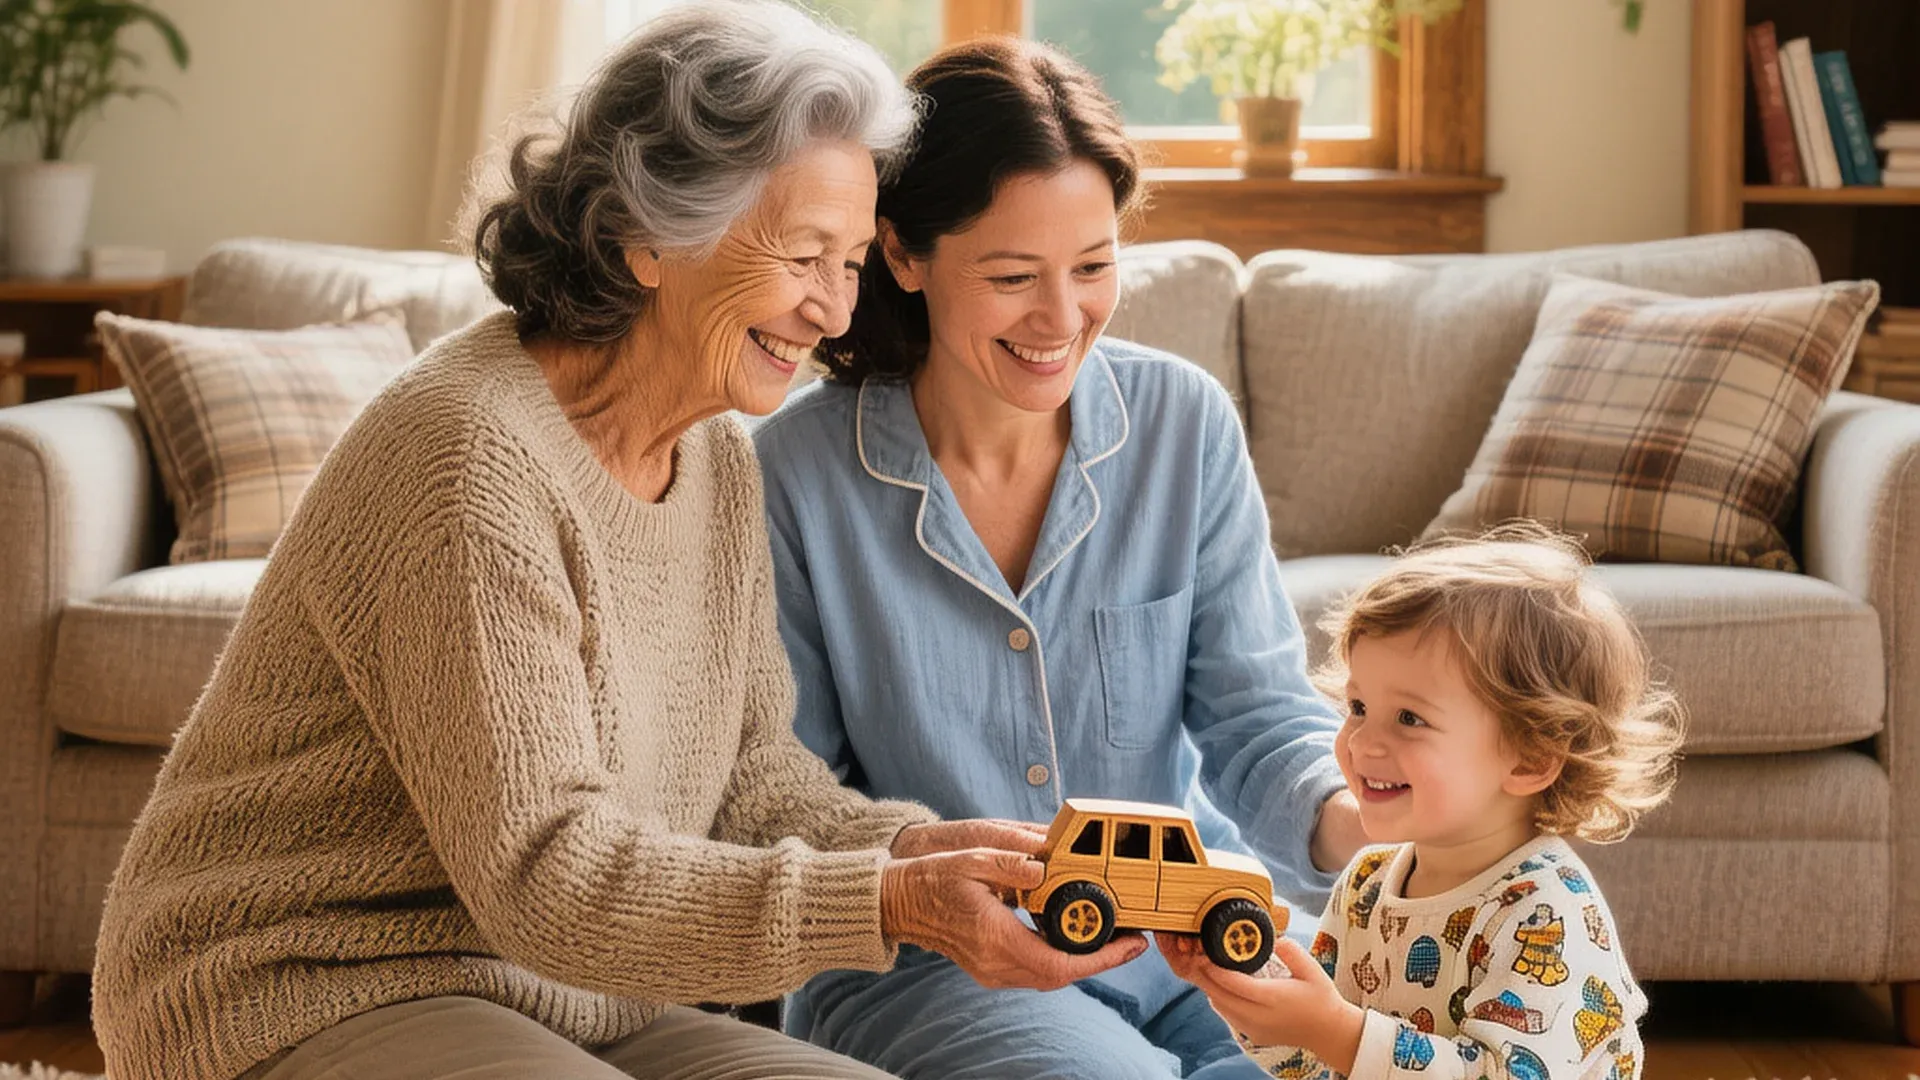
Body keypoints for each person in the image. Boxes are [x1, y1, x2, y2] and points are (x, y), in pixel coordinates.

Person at [90, 7, 1136, 1080]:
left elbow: (752, 776)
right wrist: (883, 900)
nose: (833, 310)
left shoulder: (717, 455)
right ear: (651, 236)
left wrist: (923, 853)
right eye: (805, 255)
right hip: (299, 984)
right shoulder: (470, 457)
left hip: (567, 993)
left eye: (854, 260)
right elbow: (548, 874)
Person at [752, 36, 1367, 1080]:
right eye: (1011, 276)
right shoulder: (794, 474)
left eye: (1093, 268)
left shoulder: (1185, 425)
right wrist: (934, 890)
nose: (1061, 318)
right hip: (931, 967)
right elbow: (783, 789)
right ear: (903, 254)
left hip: (1178, 949)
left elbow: (1258, 716)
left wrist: (1375, 825)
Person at [1162, 527, 1683, 1080]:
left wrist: (1333, 1029)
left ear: (1530, 759)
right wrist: (1243, 985)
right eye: (1358, 705)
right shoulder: (1367, 883)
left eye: (1409, 718)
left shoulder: (1546, 915)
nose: (1361, 741)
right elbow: (1317, 1063)